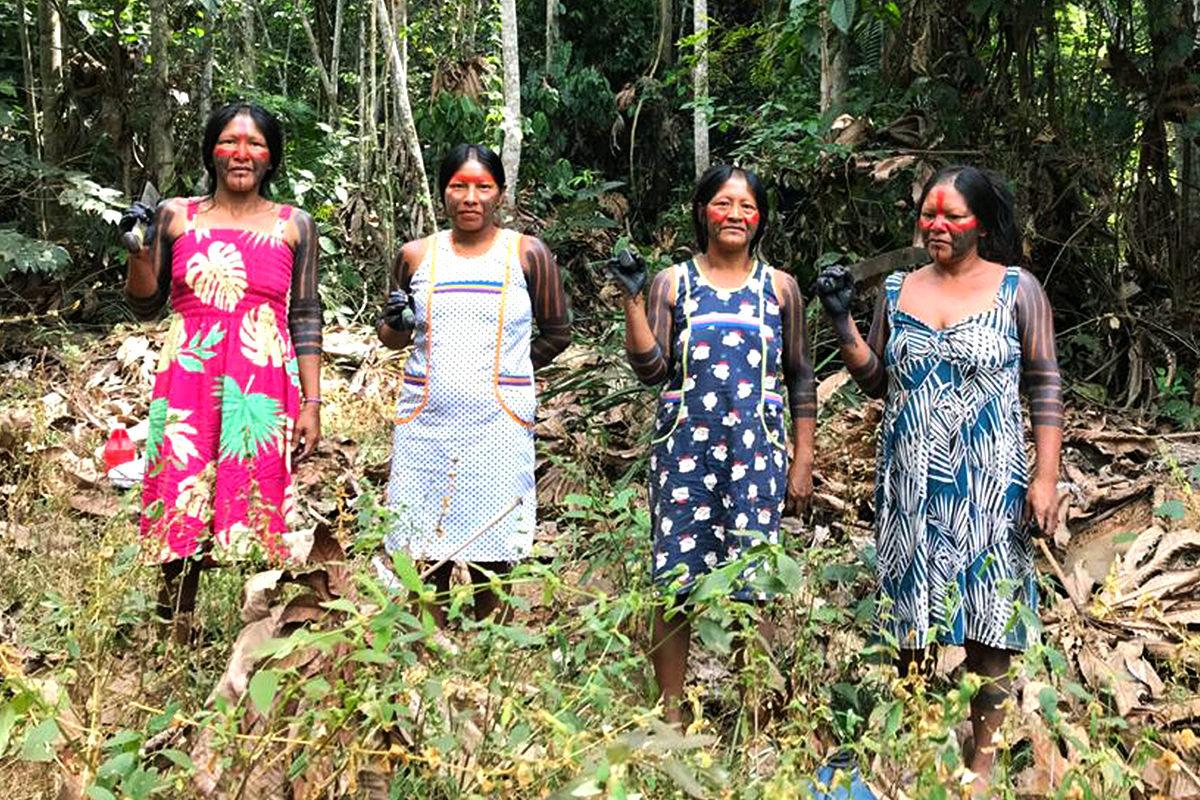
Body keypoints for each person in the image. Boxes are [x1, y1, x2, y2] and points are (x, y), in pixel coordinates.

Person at [815, 166, 1062, 789]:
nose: (938, 226)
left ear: (982, 223)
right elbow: (878, 381)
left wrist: (1045, 479)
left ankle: (982, 763)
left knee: (990, 621)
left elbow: (1045, 385)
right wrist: (843, 323)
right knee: (911, 620)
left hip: (991, 484)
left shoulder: (1019, 290)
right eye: (929, 215)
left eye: (953, 216)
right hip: (910, 483)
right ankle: (925, 744)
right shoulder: (897, 289)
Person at [613, 164, 816, 726]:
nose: (734, 215)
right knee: (675, 580)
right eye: (723, 204)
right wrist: (632, 300)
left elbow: (801, 375)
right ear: (703, 212)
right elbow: (651, 370)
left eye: (746, 206)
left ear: (760, 218)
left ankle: (753, 722)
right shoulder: (672, 283)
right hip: (684, 453)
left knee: (755, 582)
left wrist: (803, 458)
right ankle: (671, 718)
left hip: (757, 454)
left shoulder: (780, 288)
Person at [121, 102, 323, 642]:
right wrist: (137, 251)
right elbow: (145, 305)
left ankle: (253, 635)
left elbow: (305, 314)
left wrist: (312, 403)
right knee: (181, 490)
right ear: (211, 151)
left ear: (271, 158)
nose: (241, 153)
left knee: (256, 493)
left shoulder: (294, 225)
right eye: (230, 141)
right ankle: (175, 626)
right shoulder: (175, 215)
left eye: (255, 144)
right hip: (189, 375)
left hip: (262, 379)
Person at [378, 143, 570, 627]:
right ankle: (430, 647)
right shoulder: (416, 256)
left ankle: (493, 650)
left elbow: (558, 332)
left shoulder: (527, 253)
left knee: (495, 549)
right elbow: (392, 336)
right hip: (426, 426)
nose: (470, 198)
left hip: (498, 425)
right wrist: (395, 322)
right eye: (458, 186)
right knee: (424, 549)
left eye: (483, 187)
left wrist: (511, 373)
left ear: (500, 194)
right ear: (443, 192)